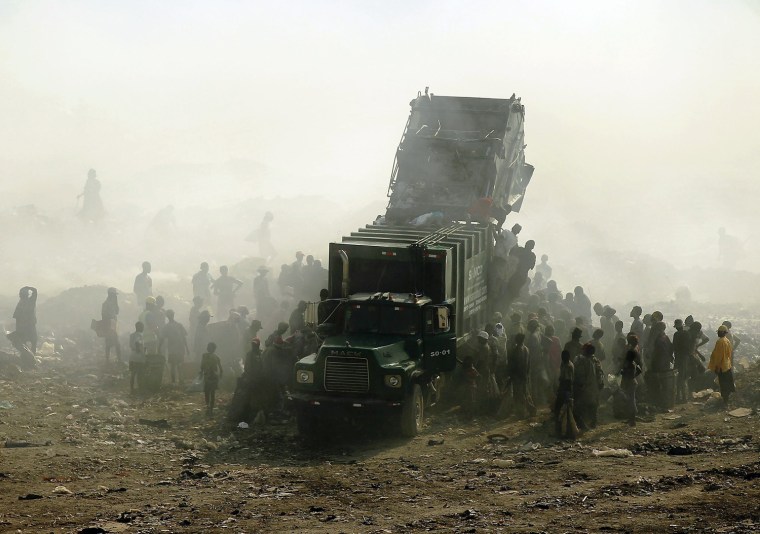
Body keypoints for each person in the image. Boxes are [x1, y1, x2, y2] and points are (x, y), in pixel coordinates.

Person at [573, 342, 603, 430]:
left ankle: (583, 425)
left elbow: (579, 376)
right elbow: (600, 375)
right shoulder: (596, 361)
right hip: (594, 388)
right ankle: (593, 423)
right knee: (593, 406)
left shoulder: (581, 361)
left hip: (585, 388)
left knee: (580, 407)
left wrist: (578, 387)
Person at [507, 333, 535, 418]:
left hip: (517, 376)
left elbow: (513, 365)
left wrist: (511, 375)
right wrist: (527, 374)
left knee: (518, 395)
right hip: (524, 375)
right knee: (524, 393)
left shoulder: (515, 350)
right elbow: (529, 363)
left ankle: (524, 411)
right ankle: (527, 410)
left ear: (516, 340)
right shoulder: (526, 349)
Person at [159, 310, 189, 385]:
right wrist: (187, 348)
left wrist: (159, 347)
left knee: (173, 365)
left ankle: (174, 381)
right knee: (179, 364)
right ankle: (180, 380)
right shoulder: (179, 325)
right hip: (179, 348)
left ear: (167, 316)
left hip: (173, 349)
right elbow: (184, 337)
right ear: (173, 315)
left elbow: (162, 338)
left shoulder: (166, 327)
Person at [708, 325, 735, 408]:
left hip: (721, 367)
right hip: (727, 365)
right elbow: (729, 354)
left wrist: (717, 367)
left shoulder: (720, 342)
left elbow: (718, 356)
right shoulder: (727, 341)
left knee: (723, 384)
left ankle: (725, 403)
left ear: (723, 333)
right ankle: (727, 401)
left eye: (719, 332)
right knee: (727, 383)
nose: (718, 333)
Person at [555, 350, 578, 439]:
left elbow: (567, 381)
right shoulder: (565, 364)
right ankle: (564, 431)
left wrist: (566, 394)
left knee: (564, 412)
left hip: (566, 391)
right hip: (564, 390)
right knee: (564, 412)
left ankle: (565, 432)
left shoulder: (568, 366)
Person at [13, 286, 38, 354]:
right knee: (31, 340)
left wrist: (27, 287)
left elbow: (16, 318)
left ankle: (29, 354)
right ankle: (29, 354)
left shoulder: (24, 302)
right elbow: (35, 292)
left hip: (27, 325)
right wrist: (29, 287)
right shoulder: (27, 302)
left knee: (30, 340)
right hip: (27, 325)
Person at [620, 349, 642, 426]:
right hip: (632, 382)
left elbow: (626, 374)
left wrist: (623, 373)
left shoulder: (629, 364)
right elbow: (639, 370)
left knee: (631, 402)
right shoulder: (633, 363)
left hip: (629, 383)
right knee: (631, 401)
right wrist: (634, 376)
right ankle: (631, 419)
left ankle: (632, 421)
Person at [200, 342, 223, 416]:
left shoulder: (205, 356)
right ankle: (210, 409)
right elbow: (221, 369)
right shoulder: (216, 357)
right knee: (211, 393)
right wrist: (220, 376)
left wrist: (201, 373)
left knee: (208, 392)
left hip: (208, 376)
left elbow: (202, 366)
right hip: (213, 377)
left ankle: (208, 407)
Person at [672, 319, 692, 403]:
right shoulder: (687, 334)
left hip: (679, 357)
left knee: (679, 378)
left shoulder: (676, 334)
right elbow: (689, 346)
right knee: (683, 377)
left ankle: (679, 397)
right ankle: (683, 397)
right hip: (685, 357)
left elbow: (674, 346)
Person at [101, 287, 121, 361]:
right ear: (110, 294)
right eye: (114, 295)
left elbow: (117, 312)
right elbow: (103, 316)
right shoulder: (105, 304)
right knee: (112, 343)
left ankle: (110, 360)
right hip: (109, 325)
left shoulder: (113, 303)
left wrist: (116, 303)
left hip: (113, 325)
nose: (115, 296)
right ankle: (109, 360)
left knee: (113, 343)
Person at [129, 322, 145, 394]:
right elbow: (137, 342)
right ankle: (140, 388)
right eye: (142, 327)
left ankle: (132, 389)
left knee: (133, 373)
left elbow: (130, 345)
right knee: (140, 374)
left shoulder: (132, 335)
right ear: (139, 327)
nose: (143, 328)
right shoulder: (139, 335)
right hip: (138, 357)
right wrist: (140, 350)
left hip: (132, 356)